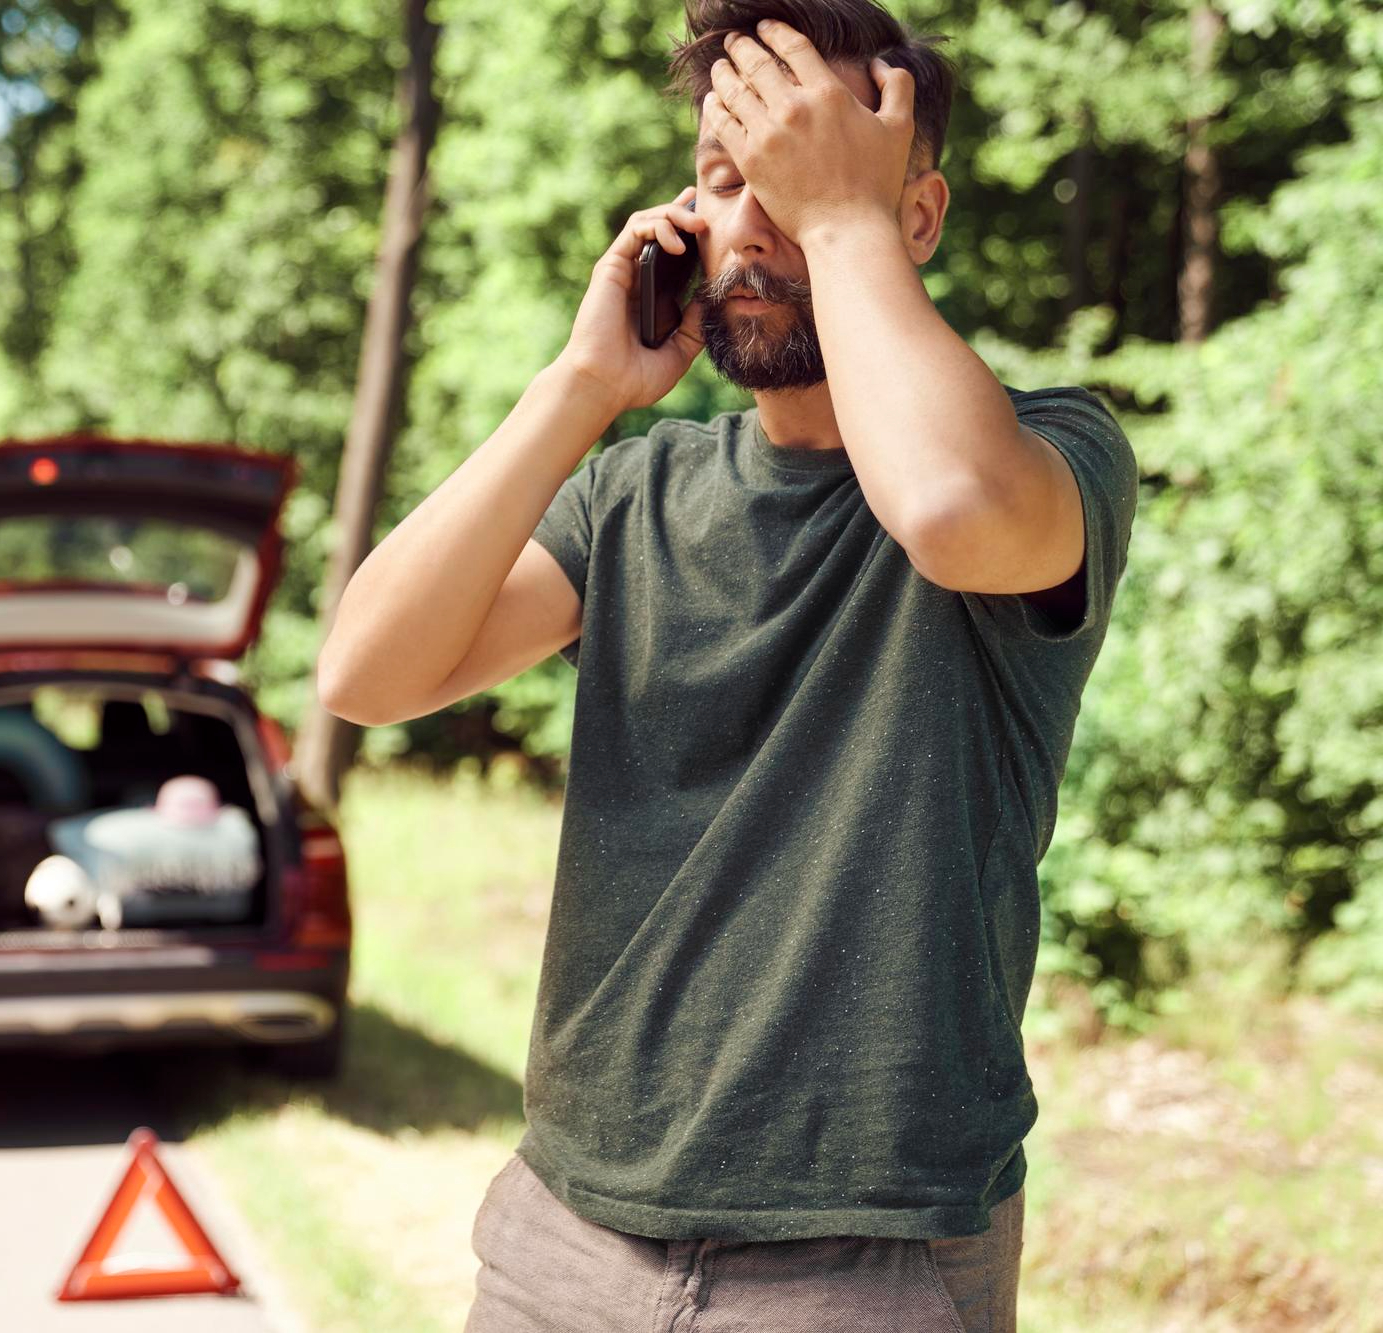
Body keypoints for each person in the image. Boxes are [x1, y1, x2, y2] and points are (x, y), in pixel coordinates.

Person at [314, 0, 1140, 1328]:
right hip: (566, 1234)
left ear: (915, 218)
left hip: (868, 1262)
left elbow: (944, 507)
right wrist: (576, 389)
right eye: (724, 171)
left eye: (802, 165)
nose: (754, 215)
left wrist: (843, 221)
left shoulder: (1048, 452)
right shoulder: (632, 497)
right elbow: (363, 673)